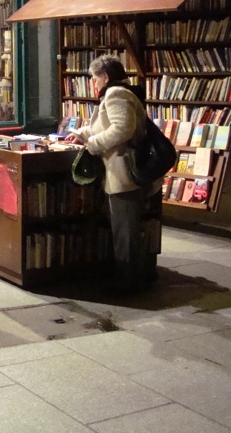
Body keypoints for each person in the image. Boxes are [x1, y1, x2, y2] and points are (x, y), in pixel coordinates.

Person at [64, 54, 159, 291]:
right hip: (119, 172)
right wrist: (83, 132)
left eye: (95, 79)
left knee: (125, 229)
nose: (94, 84)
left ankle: (130, 281)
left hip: (123, 173)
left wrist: (93, 144)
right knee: (121, 226)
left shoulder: (116, 94)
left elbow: (122, 129)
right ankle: (130, 274)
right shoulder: (121, 92)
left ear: (105, 77)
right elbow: (106, 124)